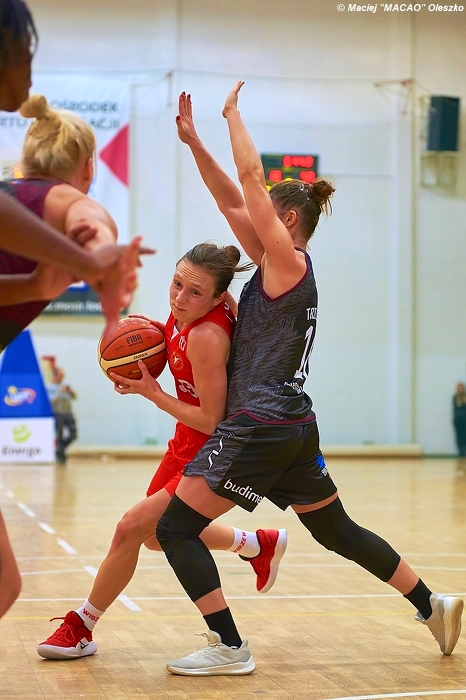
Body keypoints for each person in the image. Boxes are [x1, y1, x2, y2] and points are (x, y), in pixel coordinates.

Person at [149, 86, 464, 676]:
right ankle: (432, 604)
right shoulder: (276, 265)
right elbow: (230, 196)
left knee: (175, 528)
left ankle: (229, 647)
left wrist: (232, 116)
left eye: (267, 208)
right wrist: (193, 143)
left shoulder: (289, 264)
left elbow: (248, 176)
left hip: (258, 426)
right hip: (292, 425)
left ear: (287, 218)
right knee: (335, 529)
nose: (256, 210)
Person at [37, 242, 287, 659]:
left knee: (130, 528)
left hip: (214, 446)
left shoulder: (207, 336)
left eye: (194, 293)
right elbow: (172, 334)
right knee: (155, 537)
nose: (179, 298)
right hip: (186, 439)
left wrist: (153, 393)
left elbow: (211, 419)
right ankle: (255, 544)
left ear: (217, 298)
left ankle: (82, 625)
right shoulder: (184, 312)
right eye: (176, 284)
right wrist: (140, 340)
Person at [0, 0, 147, 337]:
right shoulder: (67, 200)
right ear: (88, 168)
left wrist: (33, 287)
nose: (31, 68)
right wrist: (99, 263)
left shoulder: (11, 194)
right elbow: (92, 228)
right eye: (27, 50)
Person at [46, 366, 78, 465]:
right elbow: (50, 401)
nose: (62, 378)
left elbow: (74, 398)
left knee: (73, 434)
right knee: (59, 435)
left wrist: (72, 392)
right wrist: (60, 392)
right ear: (55, 376)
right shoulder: (49, 387)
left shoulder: (66, 384)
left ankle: (61, 449)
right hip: (58, 413)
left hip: (68, 412)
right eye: (60, 375)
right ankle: (61, 455)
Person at [453, 382, 466, 457]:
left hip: (465, 419)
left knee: (464, 435)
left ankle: (464, 450)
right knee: (458, 435)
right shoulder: (455, 397)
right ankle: (460, 451)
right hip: (458, 420)